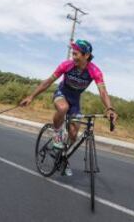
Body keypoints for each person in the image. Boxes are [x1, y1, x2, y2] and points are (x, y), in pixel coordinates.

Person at [20, 39, 117, 176]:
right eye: (73, 53)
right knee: (63, 108)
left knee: (73, 134)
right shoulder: (66, 65)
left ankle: (63, 157)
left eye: (76, 54)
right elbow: (48, 82)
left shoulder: (95, 71)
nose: (73, 56)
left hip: (76, 101)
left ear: (86, 55)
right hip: (62, 94)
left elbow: (102, 92)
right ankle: (57, 134)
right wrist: (31, 96)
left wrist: (109, 108)